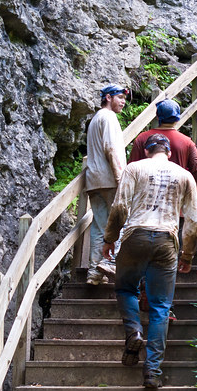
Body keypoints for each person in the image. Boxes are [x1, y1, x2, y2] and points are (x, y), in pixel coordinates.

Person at [101, 133, 197, 388]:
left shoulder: (134, 168)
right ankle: (152, 372)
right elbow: (193, 221)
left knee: (125, 288)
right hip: (167, 241)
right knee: (160, 307)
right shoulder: (185, 176)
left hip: (136, 236)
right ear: (168, 152)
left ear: (147, 151)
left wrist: (110, 238)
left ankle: (134, 331)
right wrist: (187, 255)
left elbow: (120, 207)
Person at [85, 84, 128, 285]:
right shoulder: (109, 118)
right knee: (120, 221)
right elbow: (112, 149)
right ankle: (109, 262)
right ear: (108, 97)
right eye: (120, 97)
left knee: (99, 226)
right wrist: (120, 177)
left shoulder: (95, 119)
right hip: (110, 179)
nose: (123, 102)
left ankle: (94, 273)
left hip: (94, 180)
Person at [129, 99, 197, 181]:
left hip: (146, 191)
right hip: (175, 189)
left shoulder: (142, 138)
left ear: (157, 117)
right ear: (177, 118)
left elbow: (131, 169)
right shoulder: (187, 142)